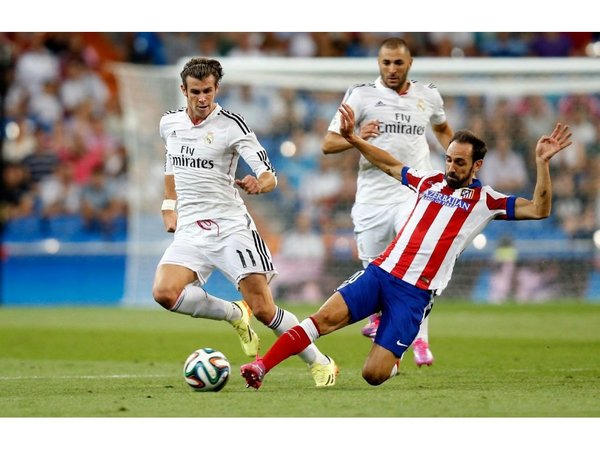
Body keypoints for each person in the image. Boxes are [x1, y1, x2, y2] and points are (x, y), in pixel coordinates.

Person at [239, 103, 571, 389]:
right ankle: (261, 367)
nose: (451, 167)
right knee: (322, 320)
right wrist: (354, 139)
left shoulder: (486, 200)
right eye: (450, 159)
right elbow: (388, 163)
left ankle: (392, 349)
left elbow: (539, 209)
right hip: (381, 272)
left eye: (459, 163)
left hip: (415, 294)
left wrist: (542, 164)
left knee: (374, 374)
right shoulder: (429, 181)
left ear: (476, 166)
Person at [151, 57, 337, 387]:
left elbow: (269, 174)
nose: (203, 98)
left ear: (216, 89)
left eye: (208, 90)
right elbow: (170, 164)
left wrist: (259, 183)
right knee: (165, 292)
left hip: (231, 228)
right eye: (195, 92)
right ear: (184, 90)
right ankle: (233, 313)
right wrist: (169, 206)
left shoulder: (232, 125)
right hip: (192, 228)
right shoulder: (170, 124)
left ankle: (321, 363)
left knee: (264, 309)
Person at [321, 37, 454, 366]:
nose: (392, 69)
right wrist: (358, 137)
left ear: (410, 63)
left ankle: (420, 340)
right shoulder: (361, 95)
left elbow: (443, 128)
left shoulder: (428, 94)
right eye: (386, 63)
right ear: (378, 64)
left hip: (414, 192)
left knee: (415, 266)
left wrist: (457, 161)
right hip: (372, 197)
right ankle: (385, 337)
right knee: (375, 272)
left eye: (398, 63)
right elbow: (328, 143)